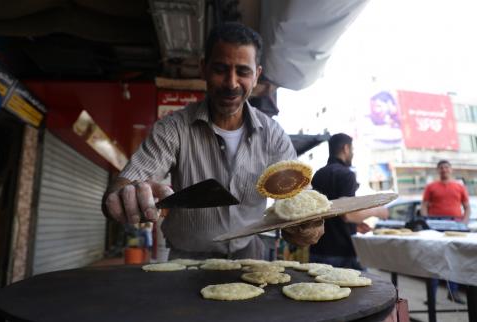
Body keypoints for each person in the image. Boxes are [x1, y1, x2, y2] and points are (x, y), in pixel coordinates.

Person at [102, 22, 324, 260]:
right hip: (186, 261)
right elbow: (120, 187)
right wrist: (123, 197)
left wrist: (307, 224)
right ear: (203, 69)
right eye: (220, 69)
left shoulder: (273, 135)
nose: (231, 83)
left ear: (257, 75)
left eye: (243, 71)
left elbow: (300, 198)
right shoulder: (174, 128)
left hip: (249, 258)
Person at [309, 133, 388, 269]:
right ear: (346, 148)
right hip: (342, 253)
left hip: (317, 250)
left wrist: (355, 225)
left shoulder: (318, 174)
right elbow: (347, 214)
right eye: (352, 149)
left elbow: (328, 211)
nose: (352, 153)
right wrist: (378, 210)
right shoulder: (346, 174)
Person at [421, 160, 470, 304]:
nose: (444, 169)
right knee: (433, 260)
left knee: (454, 259)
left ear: (451, 169)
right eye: (441, 167)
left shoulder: (459, 187)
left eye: (447, 167)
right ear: (438, 170)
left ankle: (453, 293)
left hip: (455, 226)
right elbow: (424, 206)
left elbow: (467, 207)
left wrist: (464, 224)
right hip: (435, 226)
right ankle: (431, 297)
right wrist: (426, 221)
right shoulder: (431, 187)